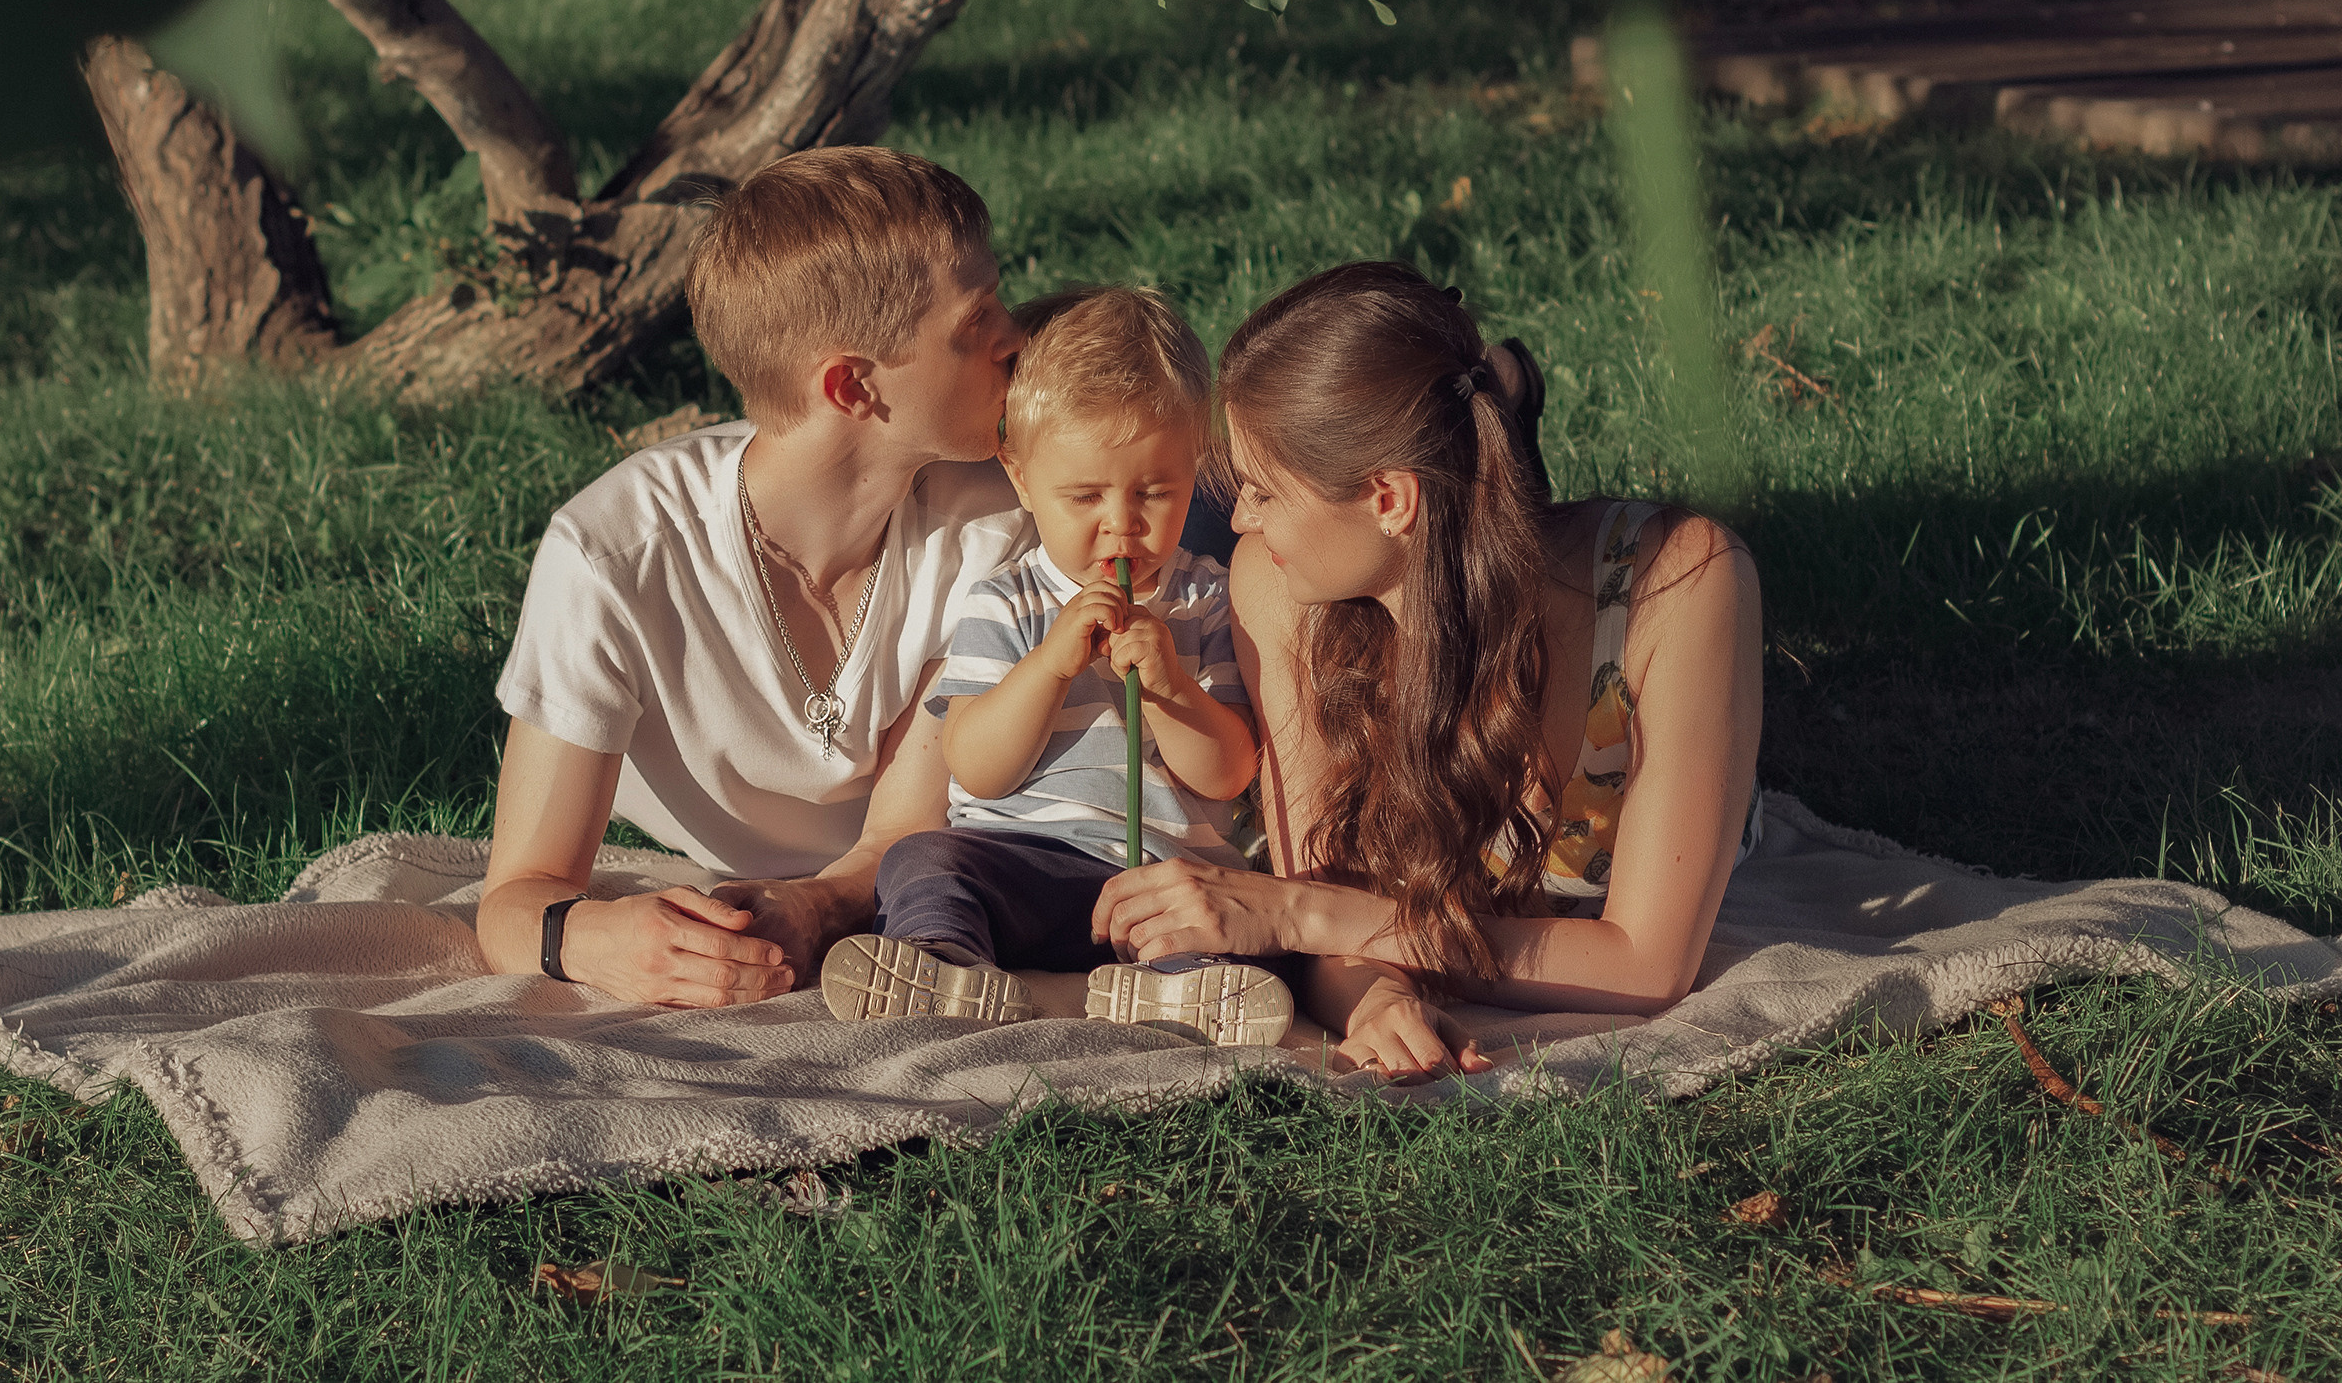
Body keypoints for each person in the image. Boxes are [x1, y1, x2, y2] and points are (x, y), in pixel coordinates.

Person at [1088, 261, 1765, 1078]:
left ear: (1387, 498)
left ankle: (1499, 396)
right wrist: (1378, 998)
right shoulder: (1277, 584)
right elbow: (1332, 897)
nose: (1239, 519)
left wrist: (1298, 915)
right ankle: (1495, 398)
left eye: (1263, 492)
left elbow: (1647, 965)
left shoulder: (1680, 584)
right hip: (1429, 539)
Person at [477, 146, 1032, 1007]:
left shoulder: (994, 519)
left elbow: (901, 827)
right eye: (977, 322)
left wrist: (814, 907)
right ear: (852, 386)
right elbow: (518, 898)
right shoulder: (614, 558)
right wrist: (600, 937)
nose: (1017, 336)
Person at [818, 287, 1292, 1045]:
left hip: (1160, 875)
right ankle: (943, 961)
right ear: (1021, 477)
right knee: (921, 857)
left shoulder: (1205, 596)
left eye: (1155, 491)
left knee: (1206, 913)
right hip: (1024, 867)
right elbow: (976, 767)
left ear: (1196, 470)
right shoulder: (1006, 599)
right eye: (1084, 495)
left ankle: (1180, 994)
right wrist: (1049, 665)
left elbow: (1228, 771)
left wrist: (1171, 688)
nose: (1122, 521)